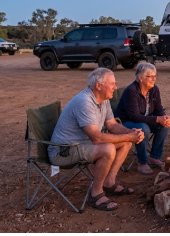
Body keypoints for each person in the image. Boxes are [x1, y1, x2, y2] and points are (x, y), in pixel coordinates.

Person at [48, 68, 144, 211]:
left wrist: (130, 133)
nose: (115, 87)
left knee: (125, 141)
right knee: (108, 149)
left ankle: (109, 183)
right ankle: (96, 194)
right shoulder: (84, 102)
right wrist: (129, 135)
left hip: (82, 145)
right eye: (111, 84)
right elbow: (97, 138)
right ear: (98, 86)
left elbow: (112, 125)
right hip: (64, 151)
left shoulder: (103, 99)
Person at [114, 62, 170, 175]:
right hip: (125, 122)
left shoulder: (154, 89)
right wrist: (157, 119)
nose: (154, 79)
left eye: (155, 76)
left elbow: (159, 109)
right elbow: (134, 116)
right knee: (143, 128)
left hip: (144, 120)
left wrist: (164, 118)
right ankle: (142, 162)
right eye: (150, 76)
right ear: (140, 78)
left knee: (163, 126)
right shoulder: (131, 91)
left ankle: (155, 157)